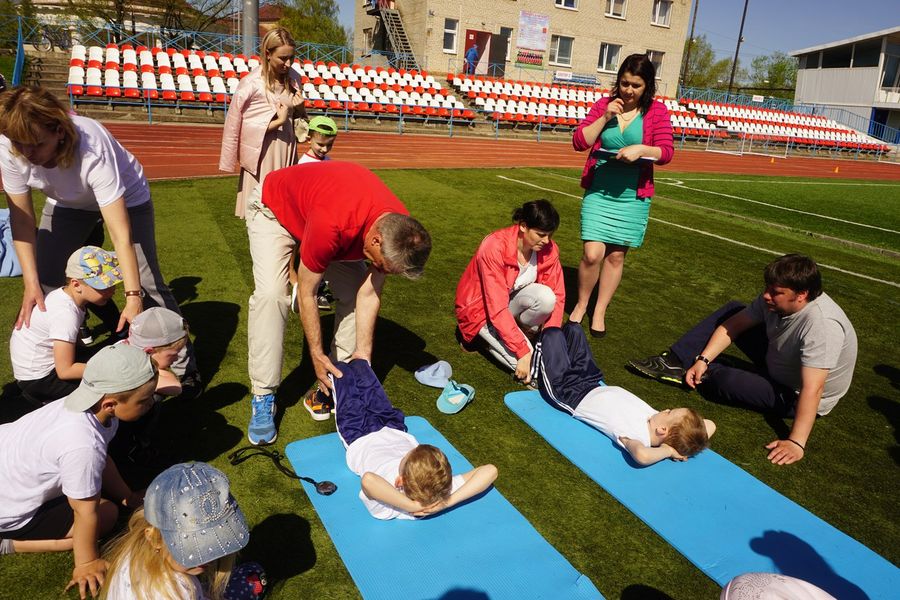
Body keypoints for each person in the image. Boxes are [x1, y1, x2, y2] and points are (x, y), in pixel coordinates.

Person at [0, 85, 198, 384]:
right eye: (20, 143)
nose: (27, 153)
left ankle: (183, 368)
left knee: (147, 283)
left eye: (37, 144)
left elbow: (121, 234)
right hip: (67, 201)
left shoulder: (91, 146)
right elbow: (22, 220)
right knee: (47, 280)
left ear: (59, 131)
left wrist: (132, 297)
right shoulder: (10, 147)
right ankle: (69, 358)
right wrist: (30, 283)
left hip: (127, 197)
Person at [244, 160, 431, 443]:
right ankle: (263, 394)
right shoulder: (333, 224)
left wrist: (363, 356)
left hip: (321, 214)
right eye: (381, 264)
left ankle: (339, 382)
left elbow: (368, 294)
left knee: (356, 290)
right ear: (377, 240)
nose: (380, 269)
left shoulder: (400, 230)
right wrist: (316, 356)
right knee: (272, 295)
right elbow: (308, 292)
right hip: (275, 211)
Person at [629, 254, 857, 465]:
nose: (767, 295)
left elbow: (813, 388)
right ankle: (676, 362)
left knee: (723, 383)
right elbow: (734, 324)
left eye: (776, 292)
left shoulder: (822, 326)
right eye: (768, 288)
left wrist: (796, 442)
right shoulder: (775, 299)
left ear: (801, 295)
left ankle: (705, 374)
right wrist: (702, 359)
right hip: (781, 360)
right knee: (734, 310)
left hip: (794, 394)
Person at [0, 345, 157, 599]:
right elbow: (84, 511)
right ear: (110, 404)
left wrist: (127, 495)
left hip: (7, 468)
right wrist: (86, 563)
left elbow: (101, 458)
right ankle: (8, 543)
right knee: (105, 514)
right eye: (144, 400)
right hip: (7, 509)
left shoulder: (78, 406)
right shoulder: (83, 444)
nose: (151, 404)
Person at [569, 53, 674, 338]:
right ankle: (581, 304)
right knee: (592, 255)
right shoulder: (604, 105)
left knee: (615, 257)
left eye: (636, 86)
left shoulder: (657, 112)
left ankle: (599, 310)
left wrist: (642, 150)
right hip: (599, 190)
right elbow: (580, 142)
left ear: (647, 86)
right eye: (624, 83)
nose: (628, 91)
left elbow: (666, 152)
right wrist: (605, 117)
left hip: (631, 196)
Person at [334, 359, 498, 519]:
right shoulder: (436, 489)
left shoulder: (389, 505)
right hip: (393, 427)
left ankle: (340, 368)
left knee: (340, 372)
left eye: (408, 456)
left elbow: (369, 480)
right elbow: (491, 470)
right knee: (361, 367)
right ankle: (358, 364)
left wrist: (412, 506)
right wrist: (446, 503)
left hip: (358, 435)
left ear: (400, 481)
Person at [535, 322, 715, 466]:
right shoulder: (655, 419)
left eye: (669, 412)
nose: (666, 409)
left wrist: (668, 450)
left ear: (662, 430)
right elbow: (710, 425)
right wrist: (678, 446)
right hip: (591, 379)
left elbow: (642, 456)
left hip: (568, 393)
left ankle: (532, 364)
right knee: (574, 329)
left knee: (552, 334)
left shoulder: (636, 436)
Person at [100, 462, 265, 600]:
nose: (208, 555)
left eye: (212, 540)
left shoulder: (134, 550)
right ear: (155, 539)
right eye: (191, 546)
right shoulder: (181, 592)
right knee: (253, 577)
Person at [455, 200, 565, 384]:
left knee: (547, 298)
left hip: (508, 305)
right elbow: (496, 307)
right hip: (481, 310)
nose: (546, 241)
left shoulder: (549, 249)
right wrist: (522, 350)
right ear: (523, 226)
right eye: (541, 234)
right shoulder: (494, 246)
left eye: (549, 235)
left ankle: (513, 335)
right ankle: (481, 337)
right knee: (533, 371)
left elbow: (558, 295)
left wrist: (550, 342)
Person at [9, 246, 123, 406]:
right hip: (41, 379)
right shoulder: (65, 313)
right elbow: (65, 371)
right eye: (104, 286)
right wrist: (111, 373)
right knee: (116, 388)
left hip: (38, 372)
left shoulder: (65, 297)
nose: (113, 290)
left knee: (109, 354)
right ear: (76, 284)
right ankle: (45, 401)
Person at [219, 27, 306, 219]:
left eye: (292, 57)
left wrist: (300, 109)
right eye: (283, 58)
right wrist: (279, 121)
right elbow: (239, 128)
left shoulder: (295, 80)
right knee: (260, 216)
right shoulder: (251, 84)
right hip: (262, 155)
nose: (288, 63)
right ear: (267, 54)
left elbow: (301, 124)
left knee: (286, 217)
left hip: (288, 151)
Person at [289, 115, 339, 314]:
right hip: (305, 215)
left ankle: (317, 285)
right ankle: (301, 286)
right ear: (309, 138)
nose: (324, 149)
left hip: (322, 215)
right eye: (320, 144)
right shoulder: (303, 163)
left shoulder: (328, 161)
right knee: (303, 252)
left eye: (329, 145)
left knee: (319, 254)